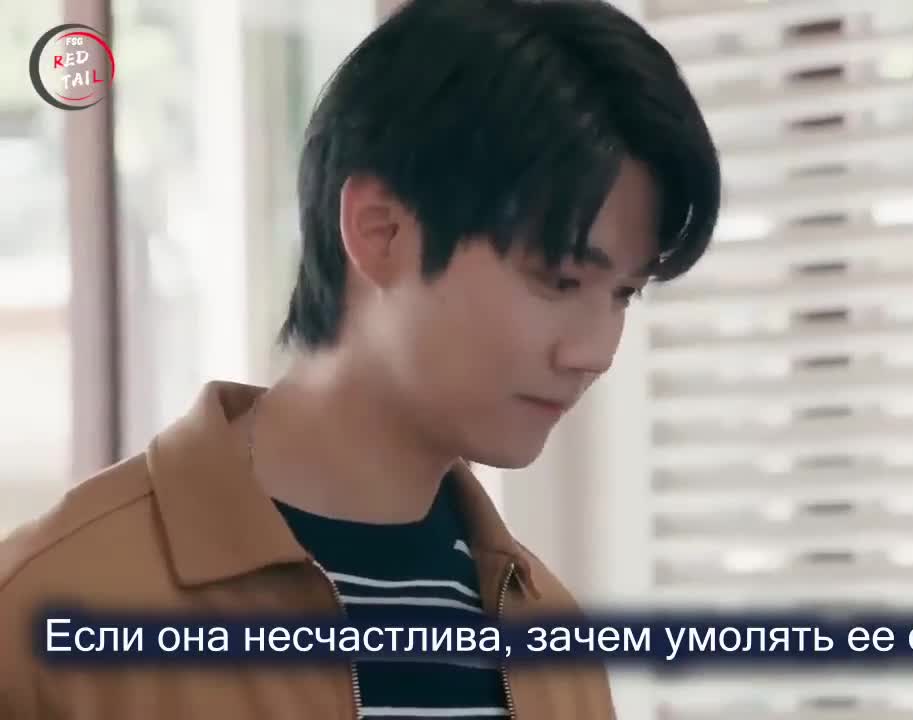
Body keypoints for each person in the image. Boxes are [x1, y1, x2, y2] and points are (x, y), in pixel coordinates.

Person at [0, 0, 720, 716]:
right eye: (558, 279)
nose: (595, 351)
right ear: (380, 231)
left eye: (623, 294)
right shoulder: (44, 613)